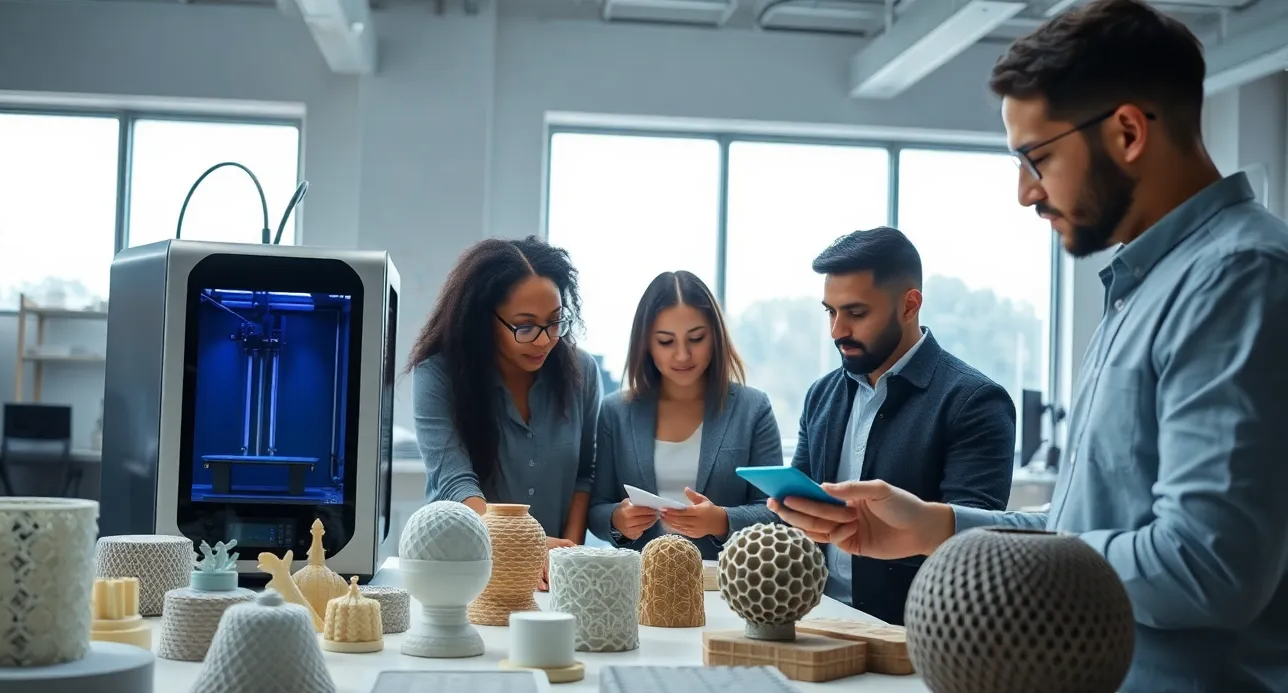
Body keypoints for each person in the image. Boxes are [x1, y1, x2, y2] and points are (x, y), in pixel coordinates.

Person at [769, 0, 1288, 693]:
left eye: (1037, 157)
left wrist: (993, 560)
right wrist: (939, 527)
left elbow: (1203, 564)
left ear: (1129, 132)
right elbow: (1092, 530)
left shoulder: (1236, 278)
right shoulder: (1141, 289)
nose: (1025, 192)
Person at [792, 226, 1016, 625]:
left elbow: (973, 545)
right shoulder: (820, 395)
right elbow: (795, 508)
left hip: (915, 637)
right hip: (815, 621)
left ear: (910, 305)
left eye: (856, 313)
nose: (837, 330)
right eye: (831, 311)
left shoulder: (975, 402)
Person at [408, 236, 602, 589]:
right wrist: (525, 548)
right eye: (525, 326)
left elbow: (584, 476)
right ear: (483, 320)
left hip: (549, 577)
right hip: (461, 570)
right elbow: (455, 481)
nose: (544, 340)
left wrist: (568, 556)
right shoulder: (438, 375)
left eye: (555, 322)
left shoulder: (582, 372)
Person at [588, 270, 781, 559]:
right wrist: (618, 519)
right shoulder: (616, 411)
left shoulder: (752, 408)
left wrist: (721, 521)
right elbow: (596, 509)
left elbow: (777, 512)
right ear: (646, 344)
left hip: (726, 586)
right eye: (666, 341)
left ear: (715, 337)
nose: (682, 355)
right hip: (642, 586)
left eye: (696, 338)